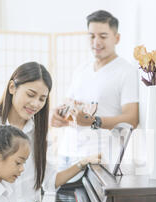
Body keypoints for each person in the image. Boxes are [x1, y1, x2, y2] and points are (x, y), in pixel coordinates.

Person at [0, 61, 100, 202]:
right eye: (31, 95)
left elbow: (50, 182)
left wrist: (82, 163)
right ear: (12, 88)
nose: (35, 104)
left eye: (42, 99)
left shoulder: (40, 133)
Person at [50, 10, 139, 174]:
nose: (96, 42)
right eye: (91, 36)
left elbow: (132, 119)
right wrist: (59, 115)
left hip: (98, 158)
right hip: (66, 154)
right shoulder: (81, 69)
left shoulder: (126, 72)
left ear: (116, 38)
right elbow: (68, 104)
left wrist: (93, 121)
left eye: (103, 36)